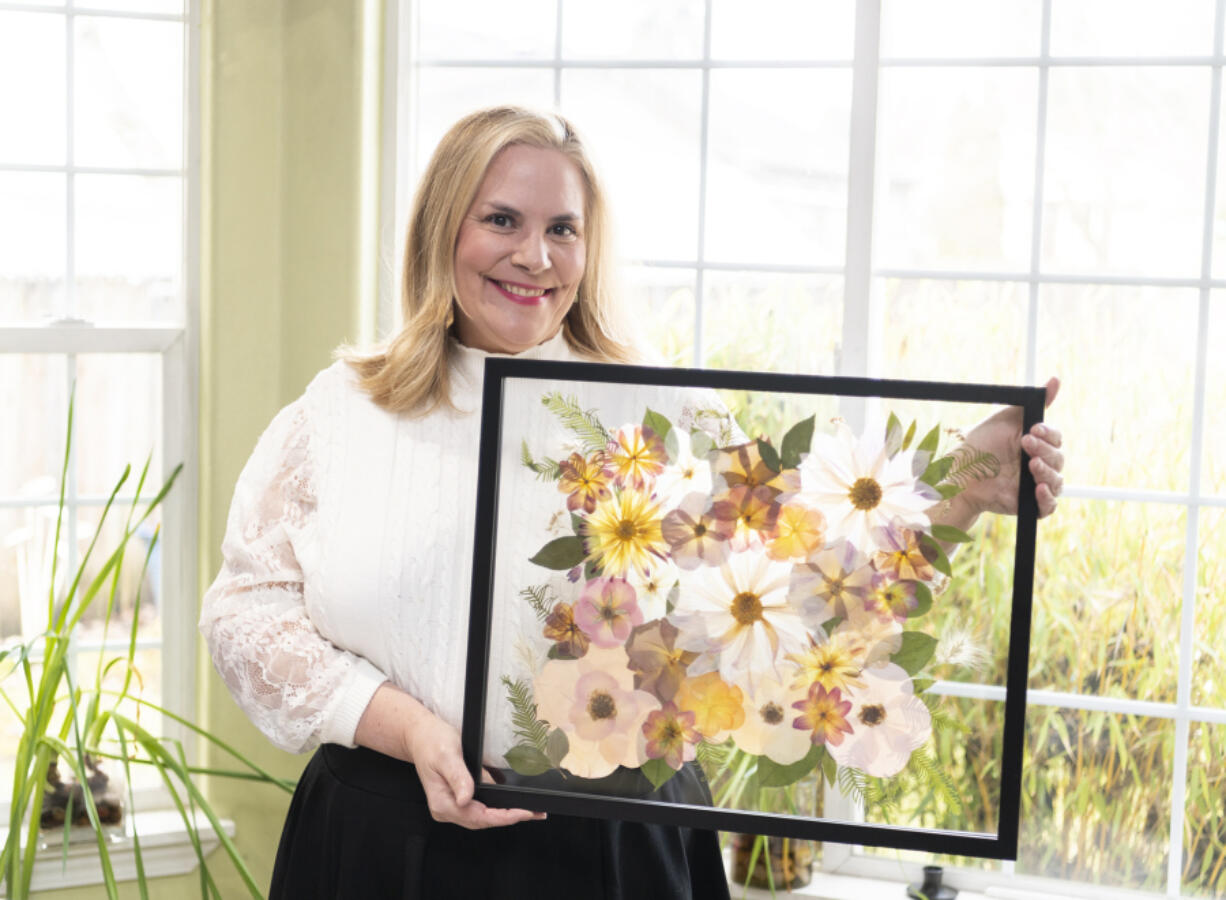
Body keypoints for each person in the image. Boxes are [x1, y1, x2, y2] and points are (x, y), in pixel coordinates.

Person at [199, 105, 1065, 899]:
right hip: (384, 845)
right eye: (501, 219)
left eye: (562, 230)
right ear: (441, 230)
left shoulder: (664, 415)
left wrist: (961, 490)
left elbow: (806, 603)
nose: (534, 256)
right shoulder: (341, 411)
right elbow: (246, 614)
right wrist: (410, 731)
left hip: (614, 854)